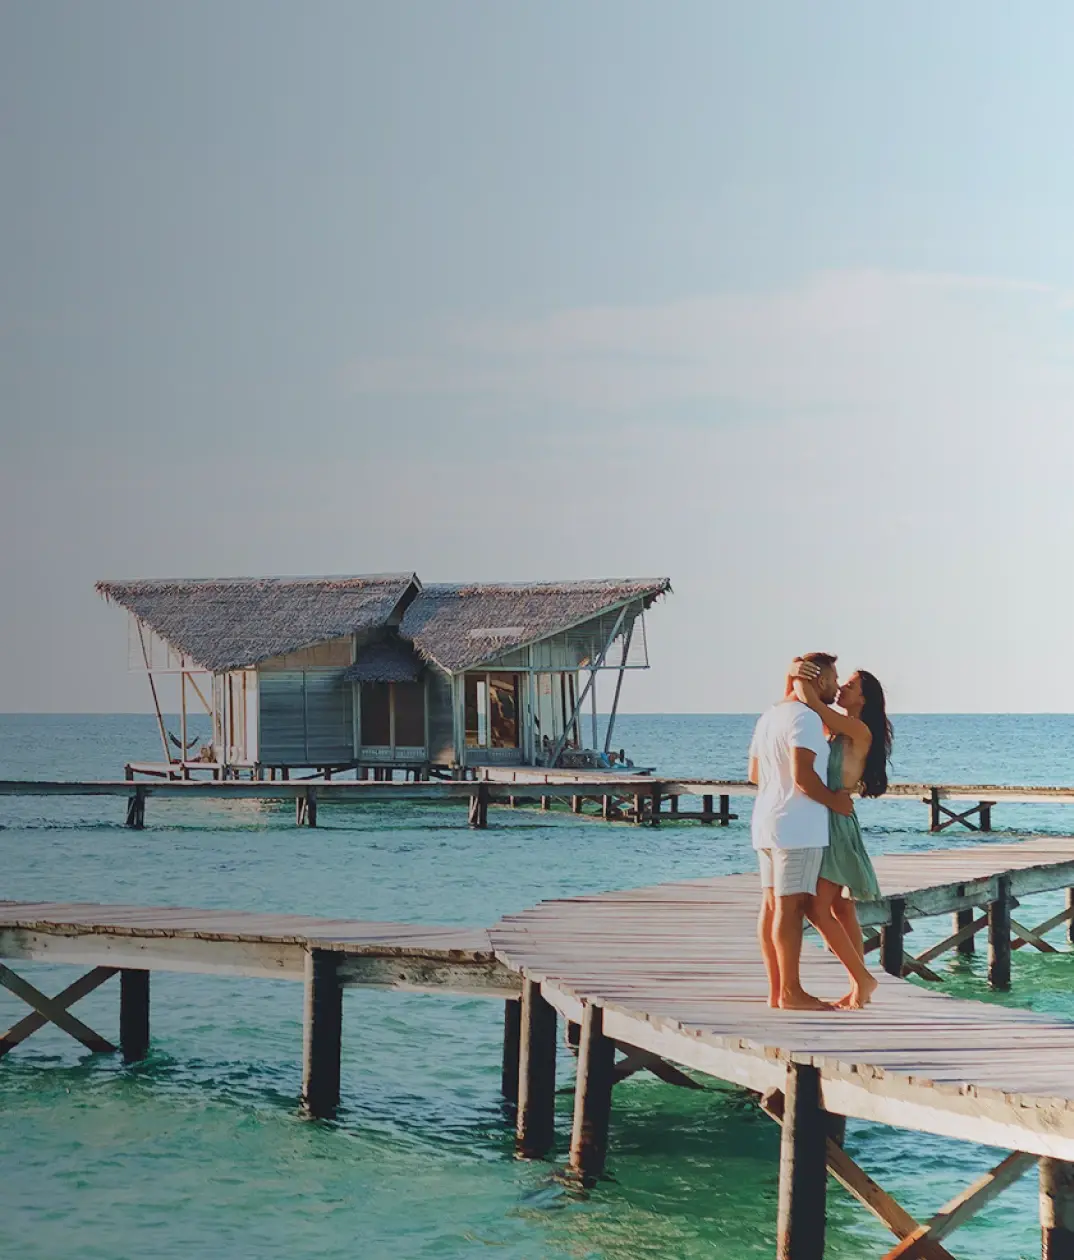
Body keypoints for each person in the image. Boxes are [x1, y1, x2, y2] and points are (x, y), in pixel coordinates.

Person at [748, 653, 856, 1010]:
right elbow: (803, 776)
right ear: (819, 680)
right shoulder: (806, 718)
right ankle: (792, 992)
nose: (837, 686)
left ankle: (776, 991)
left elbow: (754, 773)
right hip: (797, 827)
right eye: (834, 678)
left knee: (771, 907)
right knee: (790, 909)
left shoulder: (769, 715)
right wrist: (835, 801)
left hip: (766, 821)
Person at [791, 660, 892, 1007]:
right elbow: (804, 705)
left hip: (837, 823)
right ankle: (859, 989)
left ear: (863, 699)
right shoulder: (835, 730)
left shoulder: (857, 730)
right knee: (842, 909)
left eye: (850, 685)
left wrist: (797, 670)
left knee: (817, 909)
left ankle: (863, 980)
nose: (842, 689)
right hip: (829, 817)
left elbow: (810, 700)